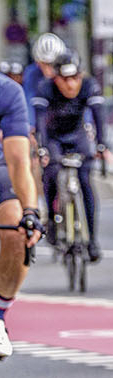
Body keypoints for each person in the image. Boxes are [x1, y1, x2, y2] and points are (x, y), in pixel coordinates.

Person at [33, 53, 107, 261]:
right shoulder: (45, 88)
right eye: (65, 79)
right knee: (52, 172)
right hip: (54, 137)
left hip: (77, 135)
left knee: (85, 181)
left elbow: (99, 115)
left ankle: (92, 240)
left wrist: (101, 144)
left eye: (75, 77)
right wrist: (41, 148)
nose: (71, 84)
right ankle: (53, 224)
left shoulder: (89, 85)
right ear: (56, 78)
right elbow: (39, 122)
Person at [0, 68, 43, 360]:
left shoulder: (7, 92)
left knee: (17, 227)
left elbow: (17, 161)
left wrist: (30, 210)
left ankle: (0, 313)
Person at [23, 33, 67, 127]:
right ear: (37, 62)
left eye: (53, 64)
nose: (49, 69)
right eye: (45, 64)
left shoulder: (69, 74)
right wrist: (30, 126)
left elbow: (81, 99)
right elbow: (29, 101)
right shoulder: (32, 74)